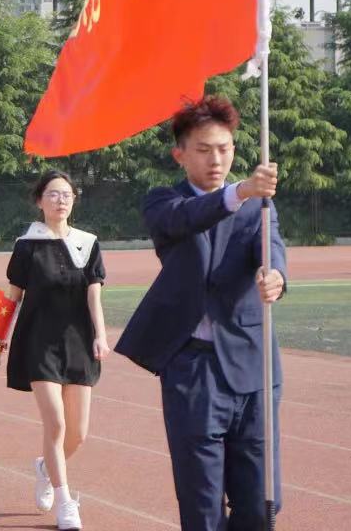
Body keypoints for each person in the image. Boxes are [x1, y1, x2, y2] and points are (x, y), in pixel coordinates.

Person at [115, 96, 287, 531]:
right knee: (202, 504)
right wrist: (240, 192)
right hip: (193, 368)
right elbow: (187, 219)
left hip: (253, 363)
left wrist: (276, 275)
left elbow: (272, 248)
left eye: (224, 149)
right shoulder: (164, 202)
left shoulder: (260, 206)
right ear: (181, 154)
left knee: (262, 503)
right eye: (204, 149)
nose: (216, 160)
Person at [0, 170, 108, 531]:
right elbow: (12, 297)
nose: (61, 200)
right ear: (40, 201)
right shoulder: (27, 245)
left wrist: (101, 336)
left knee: (78, 433)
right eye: (53, 194)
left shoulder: (88, 243)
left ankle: (45, 467)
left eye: (66, 194)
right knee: (55, 422)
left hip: (79, 342)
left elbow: (94, 295)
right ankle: (66, 502)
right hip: (38, 341)